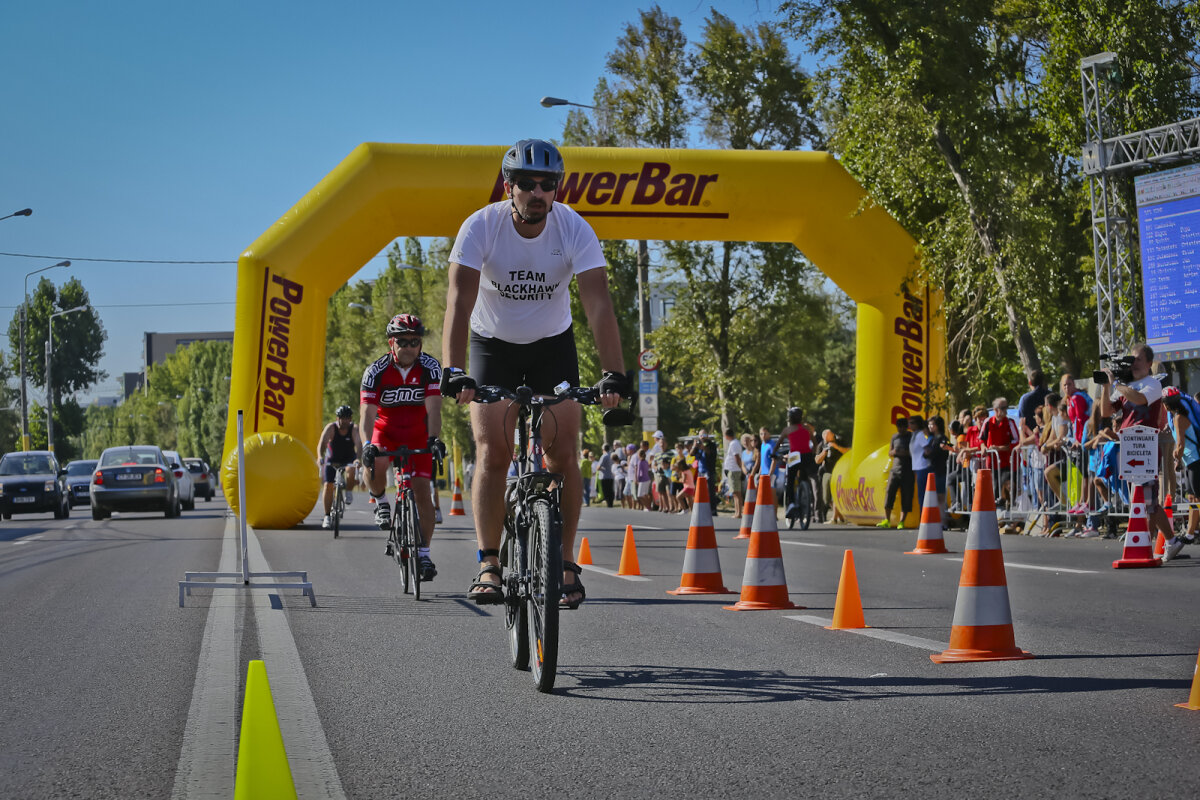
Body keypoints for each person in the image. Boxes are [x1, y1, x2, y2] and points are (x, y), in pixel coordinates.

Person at [440, 138, 629, 608]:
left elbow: (598, 304)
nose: (537, 193)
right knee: (493, 452)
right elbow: (459, 301)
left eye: (547, 184)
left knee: (564, 453)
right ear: (509, 186)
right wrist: (455, 370)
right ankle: (489, 561)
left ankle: (564, 562)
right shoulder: (480, 226)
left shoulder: (574, 229)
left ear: (556, 189)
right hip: (492, 345)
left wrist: (614, 375)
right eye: (526, 183)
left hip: (552, 347)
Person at [359, 313, 444, 581]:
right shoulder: (376, 371)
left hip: (419, 434)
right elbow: (367, 416)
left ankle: (424, 554)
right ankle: (381, 500)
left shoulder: (431, 367)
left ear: (420, 344)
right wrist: (366, 444)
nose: (408, 347)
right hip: (386, 431)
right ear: (391, 343)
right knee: (376, 462)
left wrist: (434, 439)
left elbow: (434, 409)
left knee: (423, 494)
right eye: (402, 341)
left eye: (414, 341)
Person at [1098, 343, 1183, 560]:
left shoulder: (1152, 384)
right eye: (1131, 359)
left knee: (1147, 498)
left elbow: (1139, 399)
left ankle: (1158, 540)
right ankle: (1167, 541)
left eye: (1136, 359)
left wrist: (1117, 382)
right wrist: (1107, 387)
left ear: (1148, 363)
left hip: (1145, 444)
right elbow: (1106, 411)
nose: (1132, 363)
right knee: (1142, 500)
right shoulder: (1125, 386)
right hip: (1129, 445)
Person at [316, 404, 363, 529]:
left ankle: (348, 491)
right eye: (342, 418)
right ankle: (327, 516)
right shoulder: (331, 428)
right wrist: (320, 457)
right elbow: (322, 444)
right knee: (328, 485)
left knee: (351, 469)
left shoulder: (354, 428)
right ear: (337, 418)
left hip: (349, 458)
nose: (345, 420)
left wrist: (358, 459)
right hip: (332, 459)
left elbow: (359, 445)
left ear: (351, 419)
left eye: (347, 418)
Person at [1164, 387, 1200, 544]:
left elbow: (1180, 445)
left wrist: (1175, 456)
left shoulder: (1179, 418)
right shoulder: (1179, 416)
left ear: (1166, 405)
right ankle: (1192, 532)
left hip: (1195, 461)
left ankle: (1191, 534)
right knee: (1192, 497)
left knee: (1197, 498)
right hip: (1190, 461)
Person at [979, 398, 1020, 507]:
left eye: (1006, 407)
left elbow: (1016, 441)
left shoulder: (1010, 423)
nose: (1005, 410)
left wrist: (999, 448)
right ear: (995, 410)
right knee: (995, 488)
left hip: (1008, 462)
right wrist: (983, 447)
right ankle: (999, 515)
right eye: (1002, 408)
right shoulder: (988, 422)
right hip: (993, 463)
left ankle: (1008, 507)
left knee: (1007, 484)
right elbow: (981, 439)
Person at [878, 417, 913, 529]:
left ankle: (902, 521)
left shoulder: (911, 437)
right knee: (889, 493)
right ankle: (887, 520)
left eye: (902, 427)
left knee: (906, 496)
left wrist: (903, 452)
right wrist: (894, 452)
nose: (900, 430)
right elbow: (890, 452)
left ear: (906, 427)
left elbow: (913, 453)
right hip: (895, 470)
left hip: (908, 470)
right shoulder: (895, 437)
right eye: (898, 427)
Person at [815, 429, 848, 523]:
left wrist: (836, 447)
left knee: (835, 496)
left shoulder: (840, 440)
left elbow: (849, 451)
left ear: (833, 435)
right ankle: (840, 517)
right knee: (826, 498)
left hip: (839, 471)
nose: (827, 441)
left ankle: (834, 518)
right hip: (827, 472)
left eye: (828, 438)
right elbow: (817, 460)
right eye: (825, 439)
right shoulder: (822, 445)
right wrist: (823, 453)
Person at [723, 428, 746, 519]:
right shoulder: (733, 443)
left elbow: (737, 457)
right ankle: (737, 511)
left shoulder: (734, 444)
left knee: (737, 492)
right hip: (732, 470)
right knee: (735, 492)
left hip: (734, 470)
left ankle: (739, 512)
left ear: (727, 435)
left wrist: (741, 469)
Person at [596, 443, 614, 508]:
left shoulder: (604, 456)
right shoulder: (611, 455)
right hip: (611, 476)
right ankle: (611, 504)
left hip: (605, 476)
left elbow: (598, 467)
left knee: (606, 491)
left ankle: (609, 504)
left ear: (603, 449)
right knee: (610, 491)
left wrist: (602, 468)